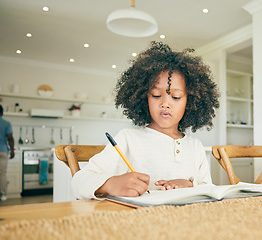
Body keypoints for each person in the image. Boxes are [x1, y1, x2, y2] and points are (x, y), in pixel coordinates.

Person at [72, 41, 220, 199]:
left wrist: (189, 184)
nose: (165, 103)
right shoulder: (128, 139)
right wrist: (109, 184)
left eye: (176, 97)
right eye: (156, 95)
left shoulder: (195, 146)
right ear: (144, 98)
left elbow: (208, 189)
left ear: (190, 103)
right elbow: (78, 182)